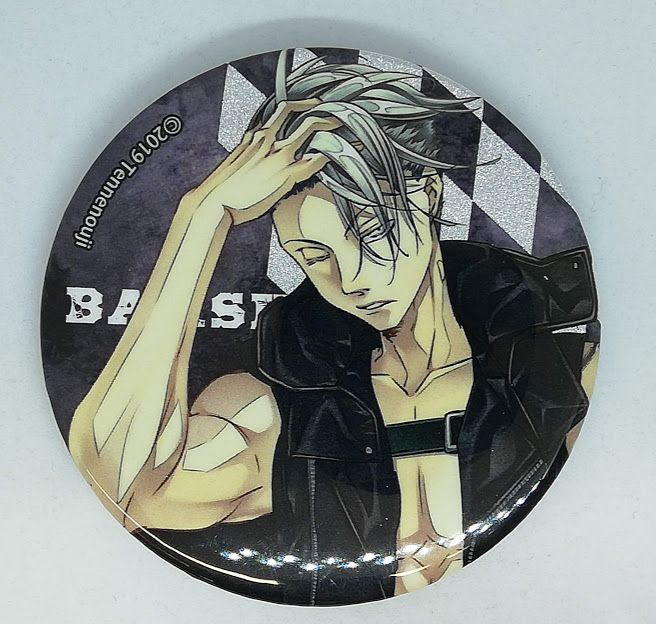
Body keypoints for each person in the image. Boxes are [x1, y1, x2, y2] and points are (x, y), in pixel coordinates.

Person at [68, 52, 599, 605]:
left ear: (427, 195)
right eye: (313, 255)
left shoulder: (562, 362)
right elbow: (117, 488)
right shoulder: (282, 407)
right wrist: (203, 218)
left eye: (368, 230)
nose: (351, 280)